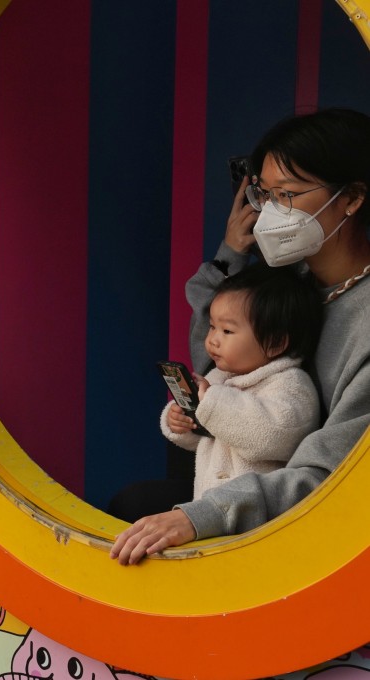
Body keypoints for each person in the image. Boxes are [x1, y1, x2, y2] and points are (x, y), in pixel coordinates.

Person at [112, 107, 370, 565]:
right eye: (263, 194)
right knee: (132, 507)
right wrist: (233, 252)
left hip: (312, 537)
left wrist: (201, 516)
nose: (270, 212)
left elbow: (328, 478)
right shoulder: (290, 276)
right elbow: (218, 361)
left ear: (351, 198)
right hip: (239, 487)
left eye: (287, 195)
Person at [160, 265, 321, 501]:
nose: (213, 339)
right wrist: (181, 422)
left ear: (275, 343)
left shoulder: (292, 384)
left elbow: (271, 434)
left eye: (227, 330)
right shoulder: (219, 377)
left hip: (259, 517)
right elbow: (210, 435)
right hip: (210, 507)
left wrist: (211, 403)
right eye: (212, 326)